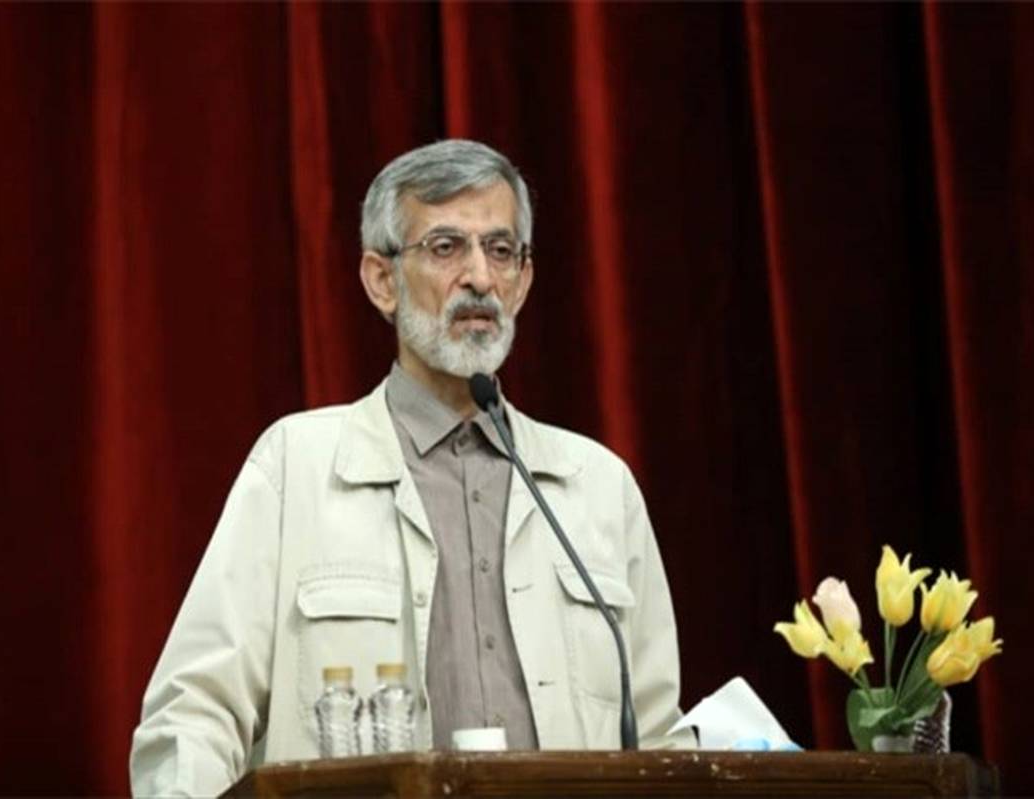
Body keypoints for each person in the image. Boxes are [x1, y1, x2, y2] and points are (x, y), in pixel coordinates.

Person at [130, 139, 693, 797]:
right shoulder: (296, 467)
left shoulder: (598, 486)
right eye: (446, 247)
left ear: (523, 281)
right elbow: (193, 715)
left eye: (501, 250)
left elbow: (659, 742)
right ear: (381, 280)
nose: (479, 276)